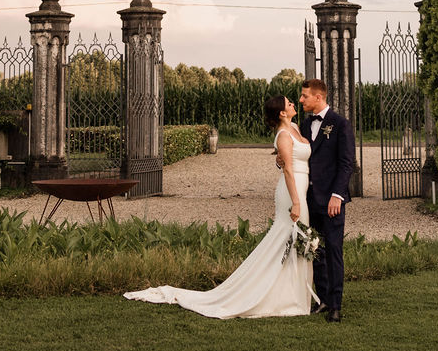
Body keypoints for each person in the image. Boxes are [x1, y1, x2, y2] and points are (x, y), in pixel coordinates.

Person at [123, 95, 317, 318]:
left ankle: (292, 293)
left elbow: (288, 159)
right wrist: (295, 202)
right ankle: (277, 294)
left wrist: (282, 163)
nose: (294, 103)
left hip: (301, 188)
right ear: (282, 112)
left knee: (293, 240)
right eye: (289, 103)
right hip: (291, 193)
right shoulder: (283, 135)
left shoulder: (294, 127)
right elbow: (288, 170)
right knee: (286, 238)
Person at [299, 78, 355, 323]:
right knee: (315, 250)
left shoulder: (339, 124)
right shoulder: (304, 124)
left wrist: (337, 195)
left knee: (333, 250)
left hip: (331, 200)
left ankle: (335, 304)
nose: (301, 100)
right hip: (309, 198)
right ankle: (322, 299)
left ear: (318, 97)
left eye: (304, 96)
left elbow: (346, 163)